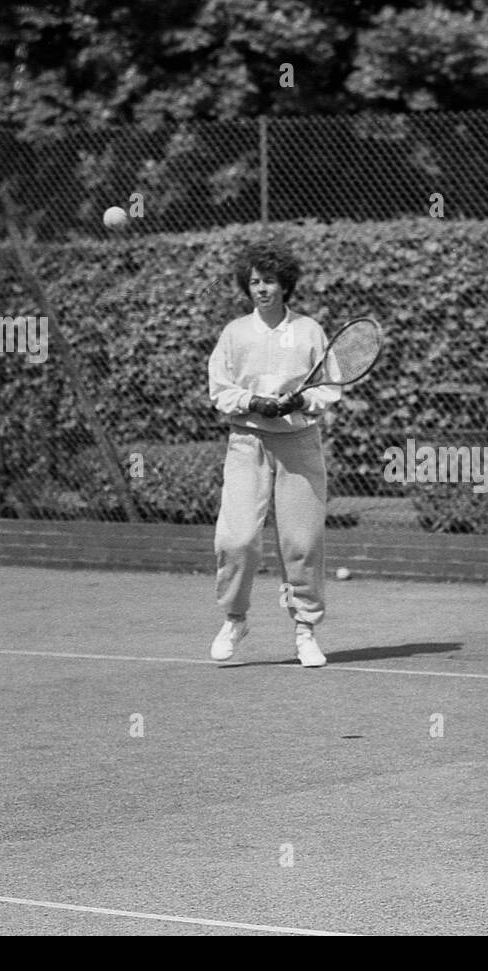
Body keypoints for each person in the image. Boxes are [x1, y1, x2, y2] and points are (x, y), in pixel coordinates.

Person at [207, 240, 340, 667]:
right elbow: (220, 389)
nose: (262, 288)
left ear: (285, 285)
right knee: (238, 538)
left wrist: (302, 402)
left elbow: (329, 385)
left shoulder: (310, 331)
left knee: (302, 541)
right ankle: (235, 619)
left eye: (269, 281)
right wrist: (251, 402)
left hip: (299, 444)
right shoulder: (234, 333)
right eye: (254, 282)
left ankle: (305, 631)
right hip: (247, 444)